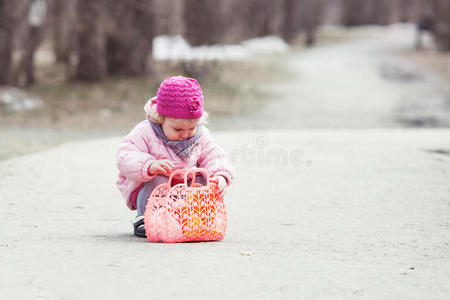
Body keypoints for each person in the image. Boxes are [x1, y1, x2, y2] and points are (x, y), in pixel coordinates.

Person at [116, 76, 234, 237]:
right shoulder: (145, 132)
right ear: (161, 118)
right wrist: (149, 166)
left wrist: (220, 175)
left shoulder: (200, 135)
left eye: (191, 128)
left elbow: (213, 154)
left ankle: (196, 216)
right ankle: (146, 218)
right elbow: (125, 155)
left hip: (185, 187)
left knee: (202, 179)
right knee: (157, 180)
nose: (185, 135)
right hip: (155, 190)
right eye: (178, 130)